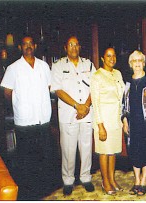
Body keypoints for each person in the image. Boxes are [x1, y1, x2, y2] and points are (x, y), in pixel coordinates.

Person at [0, 35, 55, 200]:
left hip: (43, 120)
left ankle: (47, 190)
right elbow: (7, 93)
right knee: (26, 159)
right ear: (20, 48)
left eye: (31, 44)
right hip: (24, 122)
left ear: (35, 46)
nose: (28, 46)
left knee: (45, 156)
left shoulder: (44, 66)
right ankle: (30, 193)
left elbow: (49, 87)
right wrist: (21, 105)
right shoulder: (13, 68)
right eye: (25, 44)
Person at [51, 35, 96, 195]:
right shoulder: (58, 66)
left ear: (80, 47)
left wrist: (86, 106)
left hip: (86, 114)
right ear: (65, 48)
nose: (74, 47)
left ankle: (85, 177)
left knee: (86, 147)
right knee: (68, 150)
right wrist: (78, 106)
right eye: (70, 45)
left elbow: (95, 87)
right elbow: (58, 90)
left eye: (76, 44)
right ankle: (68, 180)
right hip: (68, 115)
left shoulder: (88, 64)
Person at [122, 50, 146, 196]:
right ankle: (136, 179)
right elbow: (123, 103)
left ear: (144, 63)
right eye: (134, 61)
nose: (137, 64)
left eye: (140, 61)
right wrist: (124, 120)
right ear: (130, 64)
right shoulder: (127, 81)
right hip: (132, 123)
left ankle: (144, 179)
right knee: (133, 150)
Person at [90, 47, 125, 195]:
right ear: (103, 58)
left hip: (116, 119)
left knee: (113, 152)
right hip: (103, 120)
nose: (111, 58)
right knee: (104, 152)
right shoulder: (97, 76)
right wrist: (100, 125)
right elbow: (95, 102)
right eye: (108, 56)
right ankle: (105, 181)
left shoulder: (117, 73)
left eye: (113, 55)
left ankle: (111, 178)